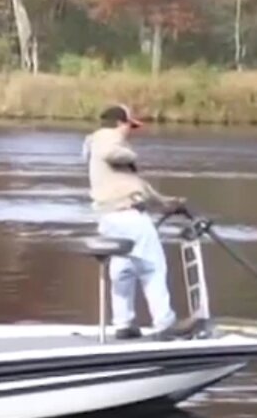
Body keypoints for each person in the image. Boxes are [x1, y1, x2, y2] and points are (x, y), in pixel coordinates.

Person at [82, 104, 195, 339]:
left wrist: (166, 202)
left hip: (110, 216)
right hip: (127, 216)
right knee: (152, 267)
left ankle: (123, 324)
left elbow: (139, 186)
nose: (130, 131)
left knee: (124, 269)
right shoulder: (106, 138)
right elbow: (111, 152)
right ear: (120, 123)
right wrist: (131, 153)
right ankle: (165, 324)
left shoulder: (106, 148)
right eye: (129, 126)